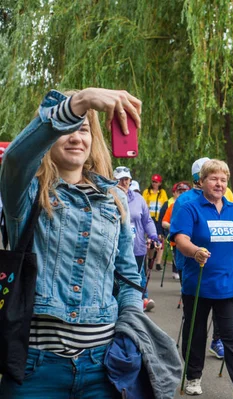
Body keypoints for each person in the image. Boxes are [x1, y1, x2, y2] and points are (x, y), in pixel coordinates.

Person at [0, 88, 143, 397]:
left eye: (84, 128)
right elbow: (13, 160)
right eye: (68, 129)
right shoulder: (27, 195)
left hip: (102, 369)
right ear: (49, 138)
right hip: (36, 370)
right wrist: (79, 103)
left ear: (94, 141)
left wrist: (129, 333)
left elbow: (129, 278)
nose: (76, 137)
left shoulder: (114, 199)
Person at [169, 159, 233, 398]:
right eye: (213, 179)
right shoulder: (189, 206)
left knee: (231, 336)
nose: (219, 184)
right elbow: (180, 239)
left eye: (223, 179)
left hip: (228, 284)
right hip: (197, 283)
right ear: (201, 182)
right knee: (196, 333)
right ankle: (193, 376)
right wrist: (195, 251)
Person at [114, 166, 161, 312]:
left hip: (137, 248)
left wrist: (153, 236)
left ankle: (134, 309)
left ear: (130, 181)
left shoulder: (139, 199)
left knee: (134, 279)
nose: (123, 182)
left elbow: (147, 221)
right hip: (115, 249)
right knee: (116, 281)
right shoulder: (108, 197)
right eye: (119, 179)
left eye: (126, 179)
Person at [162, 181, 192, 280]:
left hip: (192, 242)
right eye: (180, 192)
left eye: (185, 192)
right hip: (177, 242)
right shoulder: (173, 206)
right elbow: (164, 222)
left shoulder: (195, 206)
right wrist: (175, 227)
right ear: (175, 193)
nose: (182, 194)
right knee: (181, 266)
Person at [142, 173, 168, 269]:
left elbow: (165, 205)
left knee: (160, 240)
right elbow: (144, 204)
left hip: (159, 219)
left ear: (160, 183)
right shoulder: (146, 192)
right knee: (151, 241)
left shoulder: (162, 193)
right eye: (153, 181)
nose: (154, 183)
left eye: (156, 182)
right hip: (150, 219)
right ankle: (150, 258)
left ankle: (158, 262)